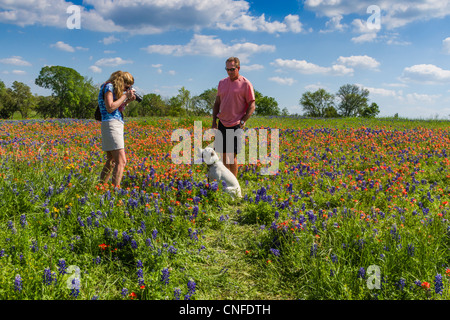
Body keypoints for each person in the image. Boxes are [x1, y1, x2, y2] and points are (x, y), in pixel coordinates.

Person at [212, 57, 256, 178]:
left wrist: (243, 120)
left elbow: (252, 105)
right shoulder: (222, 83)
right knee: (224, 155)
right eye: (227, 69)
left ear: (238, 68)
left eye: (232, 69)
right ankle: (227, 181)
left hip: (236, 123)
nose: (230, 72)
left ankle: (234, 184)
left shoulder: (246, 83)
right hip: (222, 122)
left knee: (232, 156)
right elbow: (217, 103)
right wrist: (214, 122)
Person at [98, 70, 136, 187]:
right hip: (111, 124)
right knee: (121, 161)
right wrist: (124, 96)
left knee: (111, 161)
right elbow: (110, 108)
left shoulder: (111, 88)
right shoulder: (109, 86)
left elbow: (116, 108)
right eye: (126, 86)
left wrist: (127, 100)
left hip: (112, 124)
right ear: (121, 81)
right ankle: (114, 193)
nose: (127, 89)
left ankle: (100, 188)